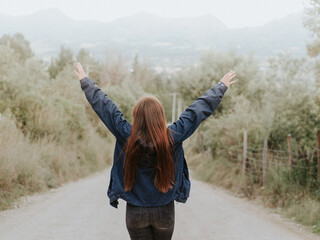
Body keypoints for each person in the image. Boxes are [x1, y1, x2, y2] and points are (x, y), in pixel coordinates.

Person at [74, 62, 236, 240]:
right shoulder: (173, 137)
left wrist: (86, 82)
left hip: (135, 212)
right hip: (164, 211)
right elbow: (196, 112)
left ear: (136, 116)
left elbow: (106, 108)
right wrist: (220, 87)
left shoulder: (126, 135)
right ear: (160, 117)